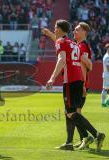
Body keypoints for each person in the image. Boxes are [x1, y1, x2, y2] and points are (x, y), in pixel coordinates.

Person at [45, 19, 105, 151]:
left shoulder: (62, 42)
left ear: (60, 29)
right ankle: (69, 142)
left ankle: (95, 135)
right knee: (69, 112)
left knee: (72, 113)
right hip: (78, 80)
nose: (54, 29)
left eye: (55, 27)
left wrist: (52, 78)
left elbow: (61, 59)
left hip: (71, 80)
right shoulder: (73, 43)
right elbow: (84, 62)